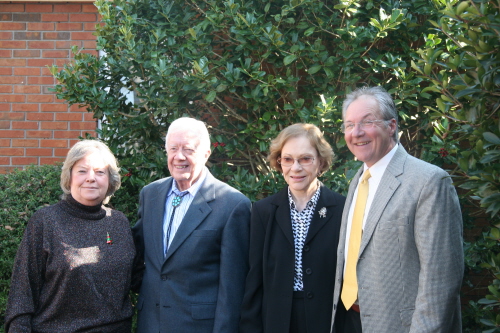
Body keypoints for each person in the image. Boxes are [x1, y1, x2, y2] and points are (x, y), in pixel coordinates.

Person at [331, 86, 464, 333]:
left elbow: (441, 281)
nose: (356, 133)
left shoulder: (429, 181)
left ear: (391, 126)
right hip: (349, 321)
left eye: (366, 122)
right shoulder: (358, 181)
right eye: (349, 125)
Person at [132, 117, 251, 333]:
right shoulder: (150, 195)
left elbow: (232, 289)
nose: (179, 157)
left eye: (188, 149)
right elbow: (138, 256)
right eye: (173, 149)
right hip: (150, 324)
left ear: (206, 154)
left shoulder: (232, 205)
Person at [5, 140, 135, 333]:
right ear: (69, 177)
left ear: (110, 180)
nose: (91, 178)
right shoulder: (45, 221)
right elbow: (22, 295)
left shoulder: (119, 223)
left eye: (100, 172)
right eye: (82, 171)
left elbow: (141, 277)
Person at [240, 123, 346, 333]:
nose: (295, 168)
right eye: (288, 159)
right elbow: (255, 281)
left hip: (327, 321)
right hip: (277, 321)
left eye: (305, 159)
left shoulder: (342, 209)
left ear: (321, 162)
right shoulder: (263, 211)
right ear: (279, 163)